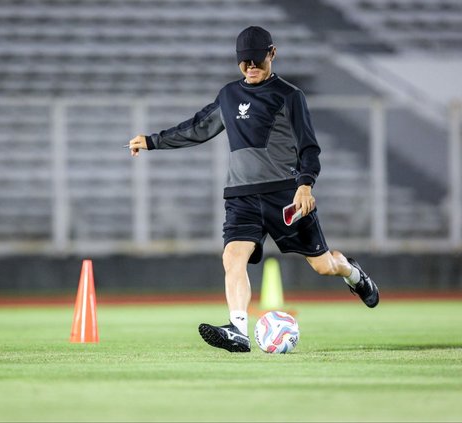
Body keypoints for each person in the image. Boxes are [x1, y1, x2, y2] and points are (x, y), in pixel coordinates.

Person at [128, 26, 379, 353]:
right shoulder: (229, 95)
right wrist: (152, 141)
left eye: (257, 60)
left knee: (323, 265)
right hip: (241, 196)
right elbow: (198, 128)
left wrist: (305, 184)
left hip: (285, 197)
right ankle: (238, 329)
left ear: (272, 54)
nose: (251, 67)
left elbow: (309, 148)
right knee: (232, 258)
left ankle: (353, 274)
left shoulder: (290, 96)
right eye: (244, 62)